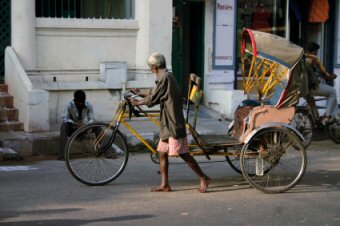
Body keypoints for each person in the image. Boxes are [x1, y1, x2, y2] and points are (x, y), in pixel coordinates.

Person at [129, 52, 211, 193]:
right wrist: (140, 92)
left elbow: (154, 97)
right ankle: (165, 184)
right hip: (167, 123)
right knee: (162, 152)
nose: (151, 70)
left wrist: (138, 102)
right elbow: (155, 92)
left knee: (182, 153)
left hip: (173, 122)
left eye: (150, 68)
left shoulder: (166, 78)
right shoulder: (165, 77)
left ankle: (204, 177)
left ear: (154, 67)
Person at [305, 42, 338, 124]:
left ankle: (316, 122)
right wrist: (330, 76)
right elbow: (324, 73)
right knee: (332, 91)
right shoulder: (313, 59)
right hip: (311, 87)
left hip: (303, 88)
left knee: (313, 105)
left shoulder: (302, 58)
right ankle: (327, 116)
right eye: (316, 51)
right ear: (314, 52)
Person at [59, 90, 94, 160]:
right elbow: (65, 118)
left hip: (84, 128)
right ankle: (63, 155)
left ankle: (108, 152)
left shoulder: (88, 105)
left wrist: (86, 125)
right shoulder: (69, 105)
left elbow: (92, 119)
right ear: (75, 100)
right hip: (73, 128)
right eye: (79, 102)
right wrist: (75, 124)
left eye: (82, 102)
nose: (81, 104)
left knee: (98, 126)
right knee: (64, 125)